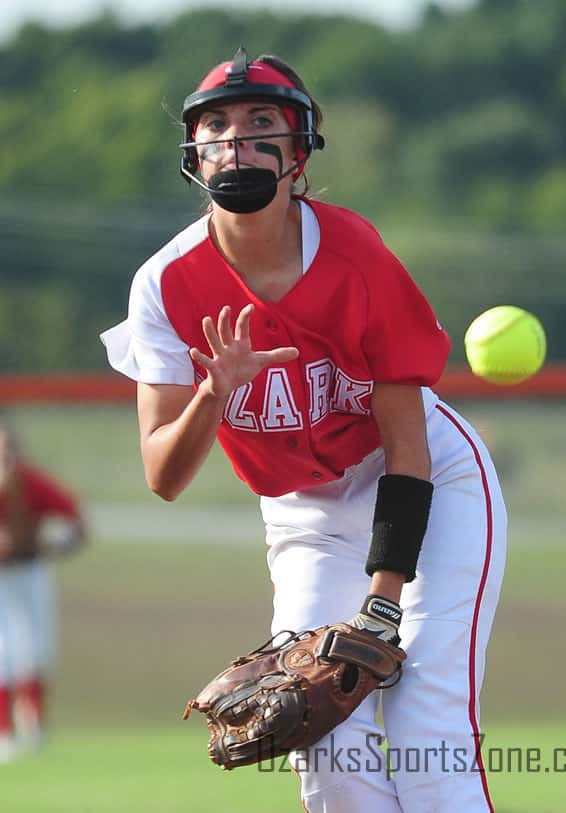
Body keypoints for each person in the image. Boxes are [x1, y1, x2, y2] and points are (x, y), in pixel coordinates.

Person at [101, 47, 507, 813]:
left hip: (423, 482)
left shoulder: (354, 252)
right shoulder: (165, 283)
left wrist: (383, 599)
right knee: (320, 736)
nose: (236, 140)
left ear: (298, 151)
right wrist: (214, 394)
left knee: (426, 727)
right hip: (303, 513)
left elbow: (407, 441)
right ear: (193, 154)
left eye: (262, 123)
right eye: (215, 125)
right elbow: (163, 473)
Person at [0, 425, 86, 762]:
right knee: (3, 651)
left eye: (10, 451)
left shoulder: (31, 483)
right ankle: (5, 731)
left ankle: (33, 724)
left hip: (30, 570)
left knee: (35, 649)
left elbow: (75, 519)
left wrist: (52, 543)